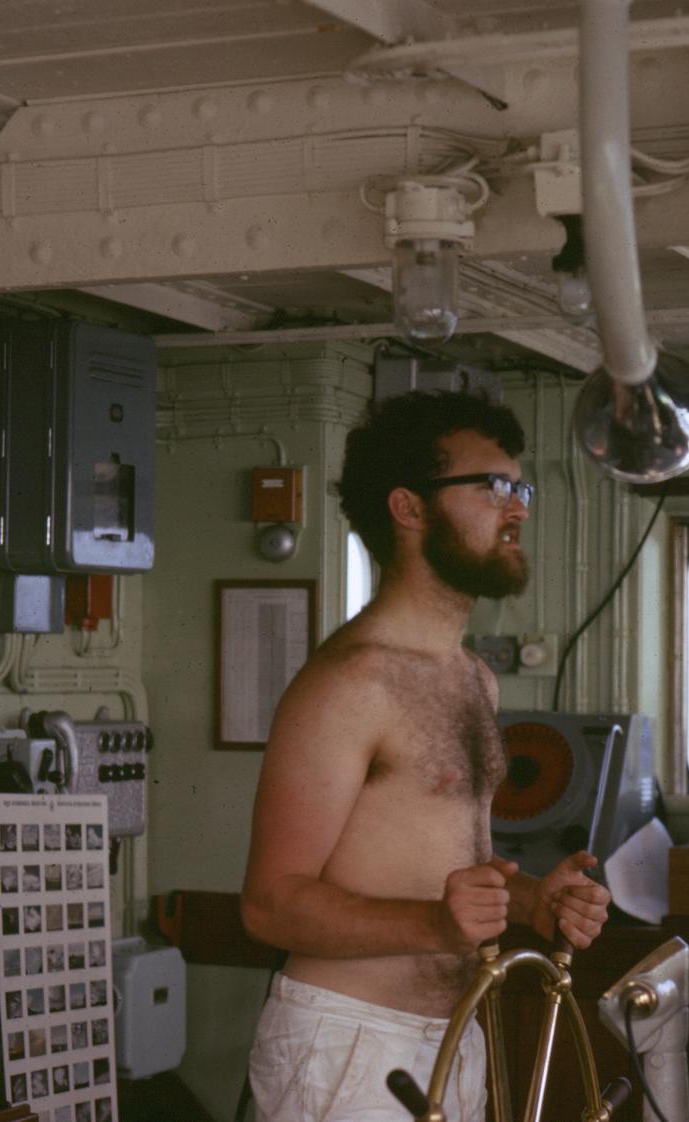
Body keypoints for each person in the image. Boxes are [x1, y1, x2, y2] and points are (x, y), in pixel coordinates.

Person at [241, 390, 612, 1122]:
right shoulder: (348, 683)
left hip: (453, 1034)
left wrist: (533, 900)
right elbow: (268, 904)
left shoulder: (473, 676)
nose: (519, 510)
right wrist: (435, 928)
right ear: (409, 509)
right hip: (349, 1046)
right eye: (493, 488)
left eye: (520, 487)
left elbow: (428, 862)